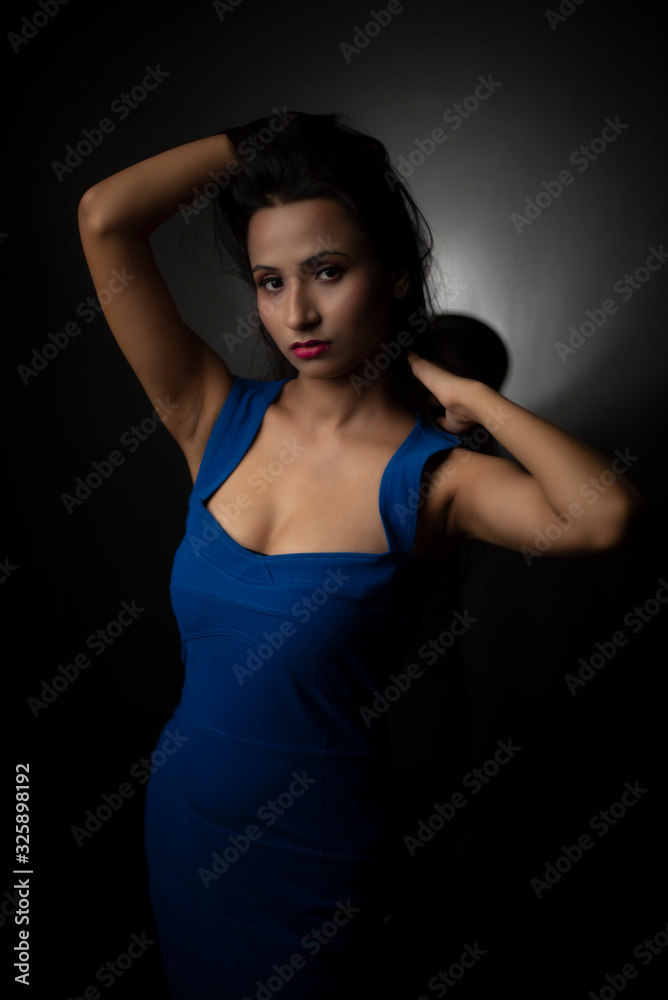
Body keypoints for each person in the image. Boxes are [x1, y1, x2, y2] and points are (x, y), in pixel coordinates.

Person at [77, 110, 642, 999]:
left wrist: (475, 403)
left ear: (396, 274)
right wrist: (256, 140)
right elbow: (106, 216)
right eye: (269, 282)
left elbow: (608, 515)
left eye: (327, 273)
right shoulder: (212, 415)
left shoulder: (435, 481)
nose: (295, 313)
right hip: (182, 837)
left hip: (313, 871)